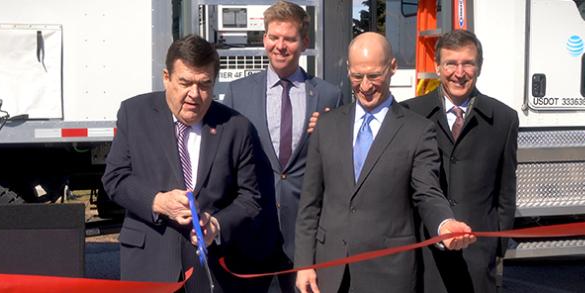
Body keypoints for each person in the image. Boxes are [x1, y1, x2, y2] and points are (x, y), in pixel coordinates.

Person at [293, 32, 476, 293]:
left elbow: (427, 192)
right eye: (357, 76)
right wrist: (303, 264)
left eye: (374, 75)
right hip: (329, 272)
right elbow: (309, 204)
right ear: (348, 70)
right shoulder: (327, 125)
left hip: (389, 275)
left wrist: (445, 224)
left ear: (392, 68)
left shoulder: (418, 130)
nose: (365, 86)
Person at [102, 34, 264, 292]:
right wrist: (158, 202)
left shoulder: (236, 127)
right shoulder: (134, 113)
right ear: (166, 77)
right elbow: (115, 178)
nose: (194, 95)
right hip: (148, 265)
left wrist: (216, 225)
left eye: (204, 85)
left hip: (212, 271)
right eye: (185, 83)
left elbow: (251, 198)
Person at [221, 1, 344, 292]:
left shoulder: (329, 96)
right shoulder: (238, 93)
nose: (280, 46)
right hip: (251, 234)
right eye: (273, 37)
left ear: (304, 42)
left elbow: (338, 166)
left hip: (305, 240)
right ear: (264, 38)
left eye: (289, 38)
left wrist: (332, 131)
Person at [401, 29, 518, 293]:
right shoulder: (410, 113)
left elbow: (506, 189)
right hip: (423, 249)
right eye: (451, 63)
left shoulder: (503, 119)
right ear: (437, 66)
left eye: (468, 63)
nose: (459, 72)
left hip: (477, 253)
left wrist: (496, 245)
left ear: (479, 67)